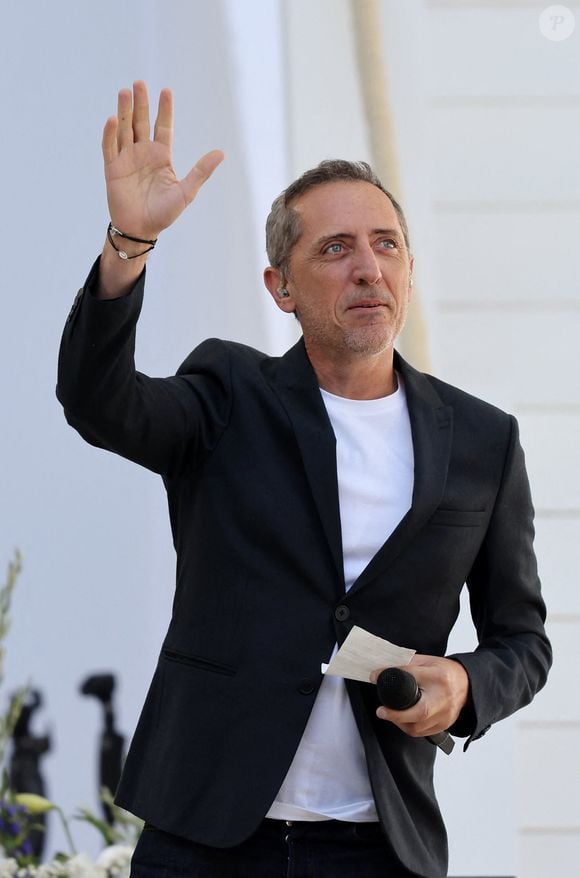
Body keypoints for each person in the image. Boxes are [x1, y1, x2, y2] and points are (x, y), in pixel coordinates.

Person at [57, 82, 551, 878]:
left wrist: (465, 684)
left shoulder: (483, 440)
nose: (367, 268)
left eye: (385, 245)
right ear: (280, 287)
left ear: (410, 270)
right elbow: (97, 402)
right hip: (206, 837)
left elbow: (523, 641)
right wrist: (129, 245)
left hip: (379, 846)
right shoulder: (227, 394)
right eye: (335, 249)